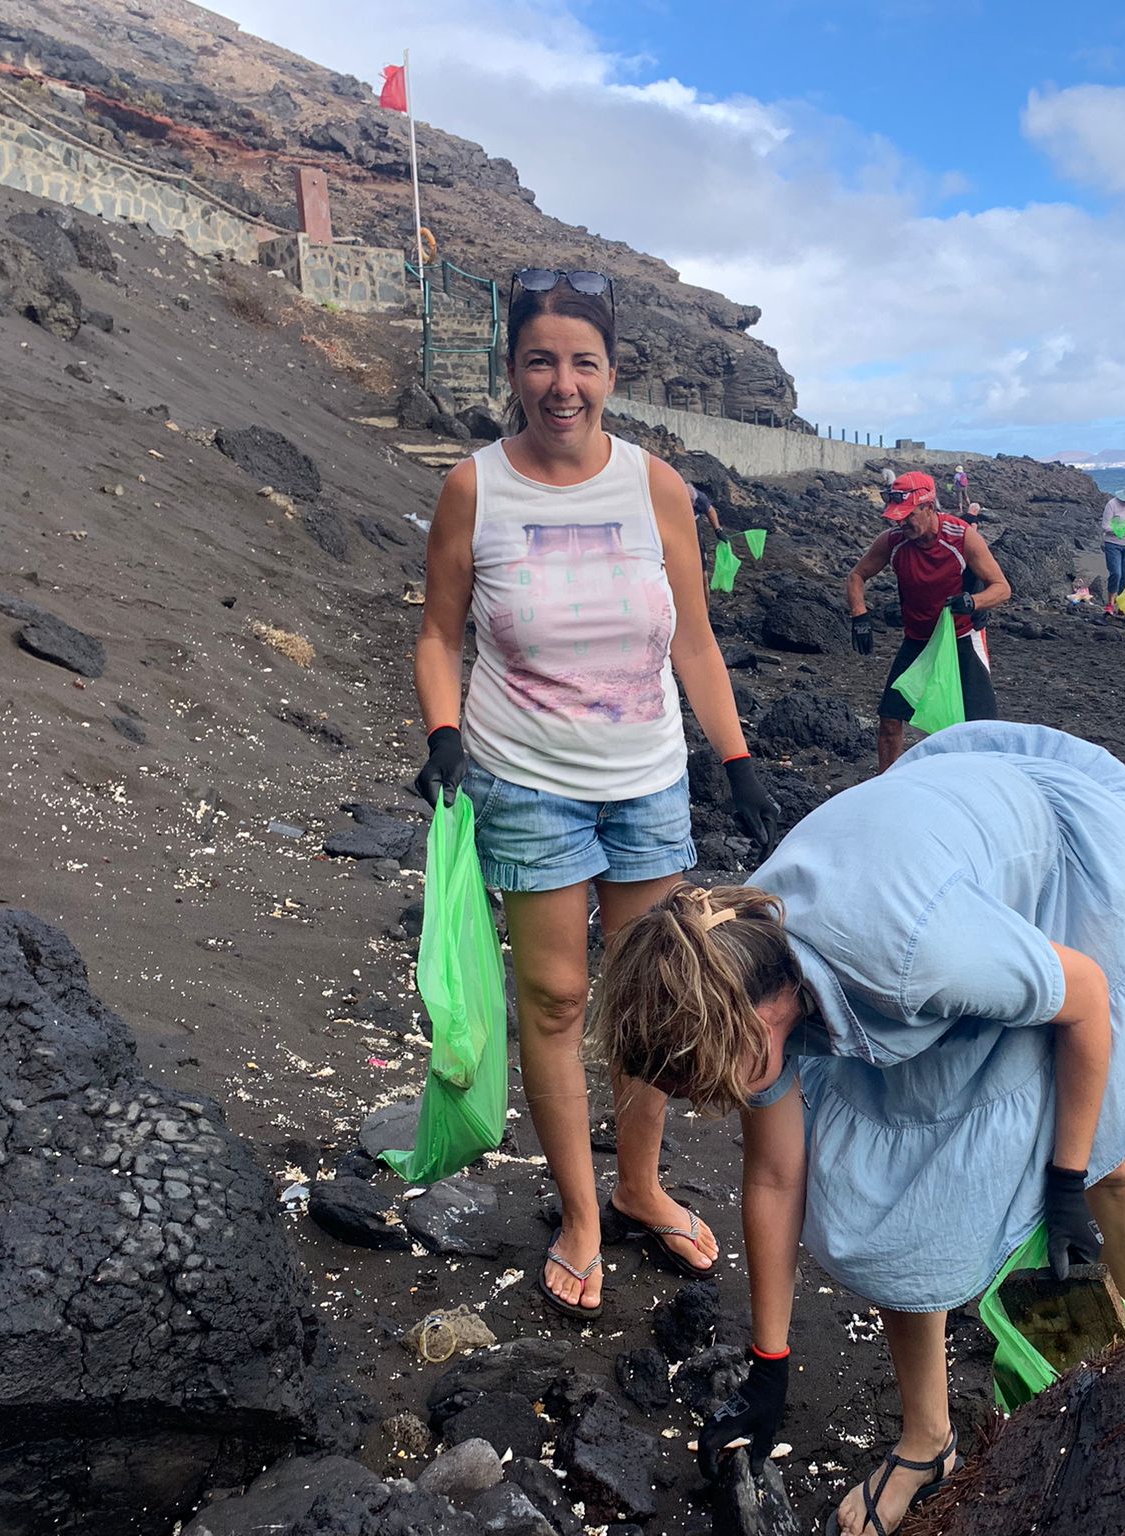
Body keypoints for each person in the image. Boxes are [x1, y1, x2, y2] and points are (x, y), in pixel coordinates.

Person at [592, 722, 1125, 1536]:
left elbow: (1089, 1000)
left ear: (755, 1023)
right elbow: (778, 1176)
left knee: (1111, 1152)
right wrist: (768, 1367)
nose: (699, 1098)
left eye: (704, 1079)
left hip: (1058, 873)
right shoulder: (729, 957)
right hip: (931, 857)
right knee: (890, 1180)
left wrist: (1064, 1186)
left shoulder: (913, 959)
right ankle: (928, 1445)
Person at [411, 267, 782, 1322]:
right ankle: (579, 1211)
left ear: (611, 374)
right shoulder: (473, 488)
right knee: (557, 1001)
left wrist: (739, 759)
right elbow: (439, 634)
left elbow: (696, 643)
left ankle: (640, 1183)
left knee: (650, 1000)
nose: (561, 383)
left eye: (582, 362)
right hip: (524, 778)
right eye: (540, 361)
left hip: (648, 782)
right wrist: (441, 735)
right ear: (513, 372)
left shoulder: (656, 487)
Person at [847, 472, 1011, 772]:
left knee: (983, 725)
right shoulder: (893, 541)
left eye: (908, 515)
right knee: (890, 717)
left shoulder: (961, 537)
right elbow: (857, 575)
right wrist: (860, 614)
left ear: (929, 507)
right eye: (897, 517)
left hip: (961, 638)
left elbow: (1001, 587)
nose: (901, 523)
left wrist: (973, 602)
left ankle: (987, 784)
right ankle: (885, 784)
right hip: (918, 640)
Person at [1099, 481, 1125, 616]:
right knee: (1116, 573)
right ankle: (1111, 603)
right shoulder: (1112, 504)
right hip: (1112, 543)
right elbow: (1105, 526)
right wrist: (1122, 529)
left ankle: (1122, 605)